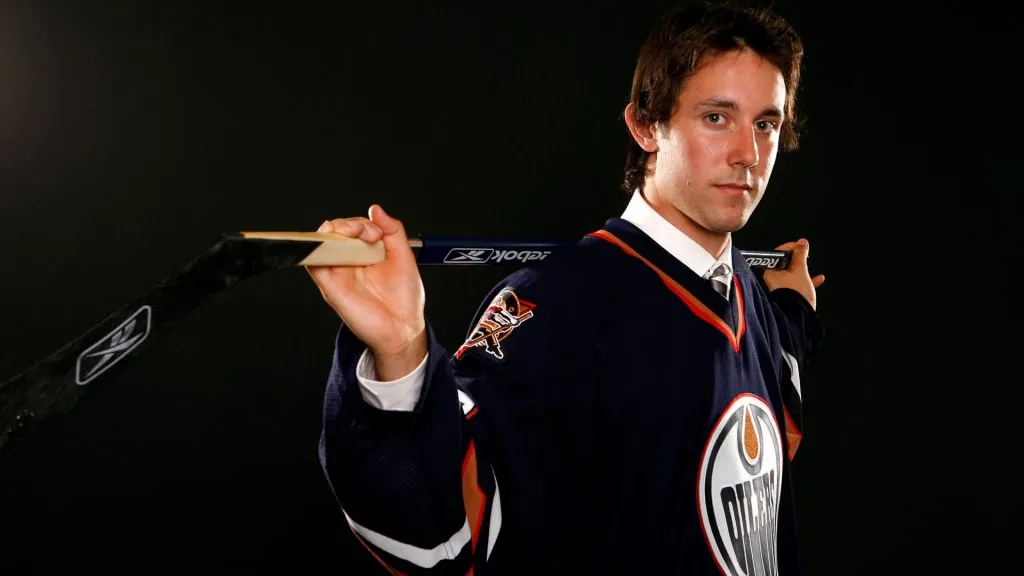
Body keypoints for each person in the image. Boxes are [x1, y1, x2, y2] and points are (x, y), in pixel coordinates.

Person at [308, 2, 825, 574]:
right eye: (716, 118)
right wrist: (402, 352)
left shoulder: (748, 297)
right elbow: (444, 530)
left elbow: (769, 412)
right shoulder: (556, 305)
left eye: (766, 124)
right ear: (646, 125)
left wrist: (792, 304)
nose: (748, 155)